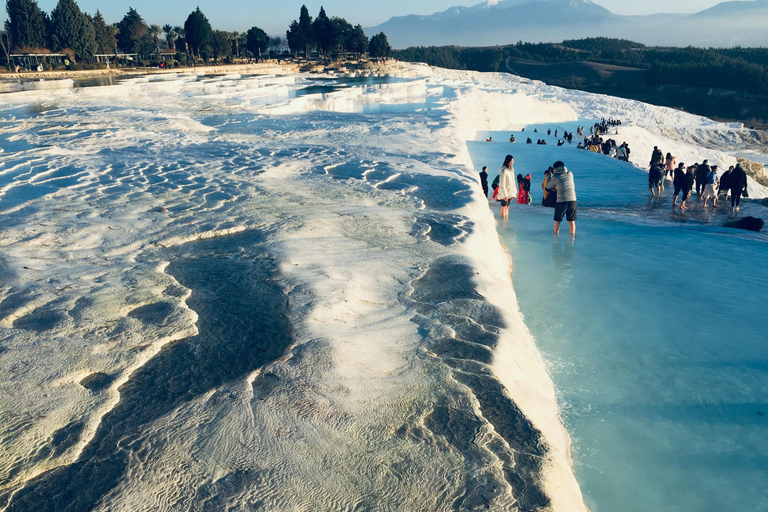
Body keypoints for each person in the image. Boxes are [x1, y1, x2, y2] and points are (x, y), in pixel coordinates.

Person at [545, 160, 577, 235]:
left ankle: (555, 239)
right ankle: (572, 239)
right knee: (571, 221)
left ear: (555, 168)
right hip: (572, 200)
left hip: (561, 201)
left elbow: (547, 186)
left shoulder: (556, 177)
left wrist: (550, 174)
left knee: (557, 221)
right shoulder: (570, 174)